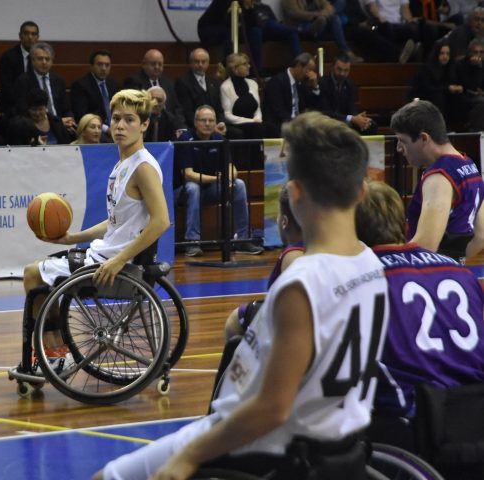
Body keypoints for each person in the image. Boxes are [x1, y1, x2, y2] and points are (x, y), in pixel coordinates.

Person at [93, 111, 389, 480]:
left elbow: (271, 409)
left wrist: (189, 457)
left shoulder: (302, 282)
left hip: (264, 446)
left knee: (107, 477)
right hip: (339, 439)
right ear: (361, 191)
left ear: (293, 193)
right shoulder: (372, 265)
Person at [22, 89, 169, 367]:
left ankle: (54, 355)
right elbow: (117, 223)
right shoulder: (124, 164)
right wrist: (73, 238)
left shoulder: (143, 167)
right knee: (40, 272)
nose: (120, 126)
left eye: (130, 120)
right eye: (116, 119)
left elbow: (161, 221)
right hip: (104, 255)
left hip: (114, 264)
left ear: (145, 125)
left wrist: (119, 260)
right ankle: (55, 351)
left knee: (32, 275)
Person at [354, 181, 484, 426]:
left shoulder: (358, 280)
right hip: (475, 410)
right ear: (403, 224)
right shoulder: (460, 271)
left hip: (417, 419)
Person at [390, 99, 484, 260]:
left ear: (424, 138)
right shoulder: (468, 165)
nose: (399, 148)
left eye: (402, 141)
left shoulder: (439, 177)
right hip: (450, 272)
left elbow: (426, 246)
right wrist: (453, 263)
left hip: (428, 276)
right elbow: (481, 236)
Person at [175, 105, 262, 257]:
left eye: (211, 120)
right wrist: (218, 179)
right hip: (181, 191)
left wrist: (229, 177)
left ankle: (242, 240)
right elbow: (188, 174)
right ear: (195, 122)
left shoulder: (219, 139)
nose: (207, 124)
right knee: (193, 187)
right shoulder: (185, 139)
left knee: (239, 185)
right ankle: (192, 242)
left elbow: (231, 167)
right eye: (203, 120)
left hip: (209, 189)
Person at [224, 183, 303, 340]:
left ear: (284, 222)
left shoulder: (293, 256)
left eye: (278, 216)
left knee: (236, 319)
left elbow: (296, 314)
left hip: (290, 332)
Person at [11, 42, 75, 130]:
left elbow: (66, 109)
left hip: (61, 126)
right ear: (33, 61)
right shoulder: (23, 81)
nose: (44, 62)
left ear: (52, 61)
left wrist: (70, 121)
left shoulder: (58, 81)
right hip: (35, 125)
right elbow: (23, 110)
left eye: (47, 59)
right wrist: (58, 121)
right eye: (40, 59)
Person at [220, 52, 265, 169]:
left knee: (269, 127)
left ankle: (262, 167)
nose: (249, 66)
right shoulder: (225, 87)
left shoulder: (253, 84)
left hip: (254, 123)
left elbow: (257, 108)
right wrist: (250, 121)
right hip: (236, 124)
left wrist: (257, 119)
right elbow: (227, 115)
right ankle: (247, 168)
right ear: (235, 68)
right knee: (255, 128)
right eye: (245, 64)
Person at [123, 49, 186, 131]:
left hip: (169, 127)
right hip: (146, 127)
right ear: (144, 64)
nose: (157, 67)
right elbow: (135, 108)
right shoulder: (133, 81)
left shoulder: (168, 83)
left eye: (160, 64)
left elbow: (177, 109)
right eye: (153, 64)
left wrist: (180, 126)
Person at [281, 0, 364, 62]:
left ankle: (346, 52)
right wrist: (318, 14)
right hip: (300, 28)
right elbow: (297, 14)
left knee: (335, 15)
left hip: (317, 24)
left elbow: (326, 4)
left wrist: (325, 13)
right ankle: (346, 52)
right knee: (326, 19)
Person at [262, 53, 321, 138]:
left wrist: (315, 87)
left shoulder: (301, 83)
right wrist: (297, 123)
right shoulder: (277, 82)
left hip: (296, 124)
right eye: (308, 70)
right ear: (299, 66)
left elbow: (312, 105)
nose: (309, 74)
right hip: (280, 125)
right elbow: (278, 111)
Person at [319, 53, 378, 134]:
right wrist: (352, 118)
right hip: (328, 121)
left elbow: (351, 109)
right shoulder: (323, 83)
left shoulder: (349, 84)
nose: (342, 73)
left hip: (345, 120)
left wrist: (358, 117)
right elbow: (326, 112)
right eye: (339, 69)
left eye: (346, 70)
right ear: (332, 67)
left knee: (370, 125)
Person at [407, 40, 463, 123]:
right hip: (423, 97)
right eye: (442, 53)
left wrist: (458, 87)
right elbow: (428, 89)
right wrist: (447, 88)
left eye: (447, 54)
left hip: (441, 97)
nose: (445, 57)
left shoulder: (450, 68)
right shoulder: (426, 69)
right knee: (439, 97)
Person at [175, 48, 227, 132]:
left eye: (203, 61)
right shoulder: (183, 82)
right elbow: (187, 112)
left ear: (208, 63)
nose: (200, 64)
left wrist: (221, 123)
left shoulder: (214, 82)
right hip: (193, 127)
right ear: (191, 63)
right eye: (197, 61)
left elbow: (219, 108)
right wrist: (209, 126)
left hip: (213, 125)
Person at [70, 50, 120, 130]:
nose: (104, 68)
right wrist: (106, 129)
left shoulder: (113, 84)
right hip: (95, 129)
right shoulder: (81, 85)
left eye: (107, 65)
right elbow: (82, 116)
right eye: (100, 64)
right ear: (91, 66)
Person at [0, 21, 40, 113]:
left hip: (37, 105)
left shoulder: (41, 57)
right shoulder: (8, 57)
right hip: (14, 106)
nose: (30, 37)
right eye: (26, 33)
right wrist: (25, 106)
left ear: (37, 38)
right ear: (20, 36)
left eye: (33, 34)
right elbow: (7, 89)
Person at [452, 38, 484, 132]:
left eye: (481, 52)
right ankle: (476, 131)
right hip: (464, 96)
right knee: (481, 102)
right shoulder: (461, 64)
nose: (478, 55)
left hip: (480, 95)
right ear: (470, 53)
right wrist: (477, 67)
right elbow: (471, 86)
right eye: (475, 52)